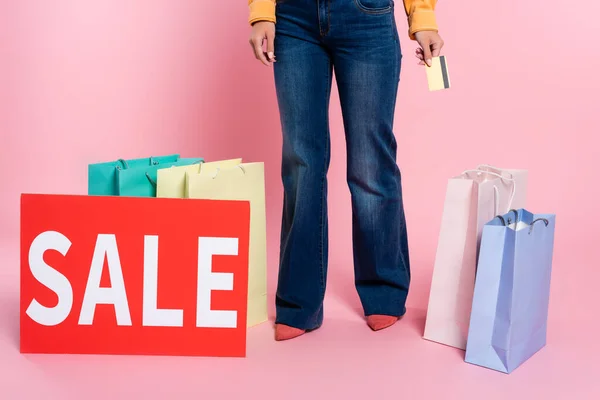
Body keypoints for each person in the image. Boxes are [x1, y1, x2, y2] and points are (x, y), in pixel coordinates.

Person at [248, 0, 444, 341]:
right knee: (302, 162)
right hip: (293, 18)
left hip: (366, 16)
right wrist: (262, 11)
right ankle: (298, 301)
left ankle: (383, 289)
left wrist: (422, 15)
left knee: (371, 159)